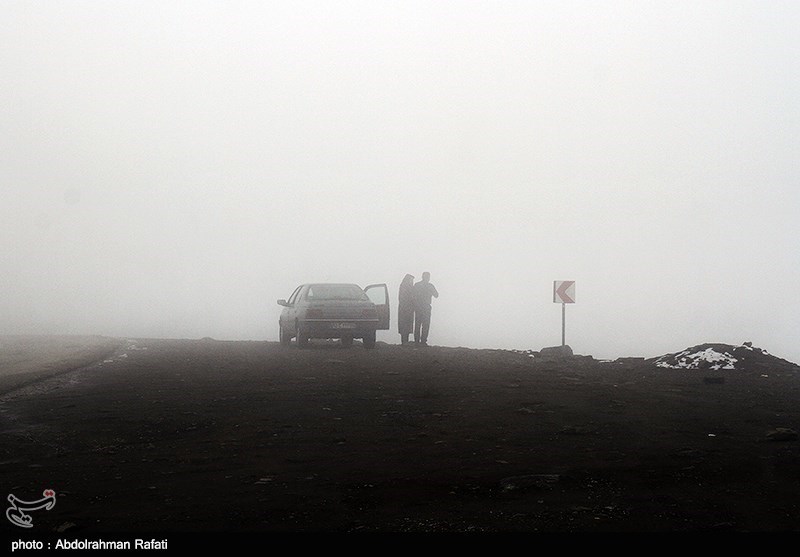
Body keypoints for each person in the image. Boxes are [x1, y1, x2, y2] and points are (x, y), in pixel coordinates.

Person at [413, 272, 439, 346]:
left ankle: (416, 341)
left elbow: (413, 295)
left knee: (417, 324)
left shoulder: (417, 285)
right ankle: (423, 341)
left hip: (418, 307)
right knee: (426, 325)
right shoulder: (430, 286)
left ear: (422, 277)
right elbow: (436, 295)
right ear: (428, 278)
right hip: (426, 307)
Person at [397, 274, 415, 345]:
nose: (412, 281)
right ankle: (404, 341)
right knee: (405, 324)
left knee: (406, 325)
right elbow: (403, 298)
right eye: (411, 279)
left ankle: (405, 341)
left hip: (407, 309)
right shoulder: (405, 287)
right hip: (405, 309)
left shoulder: (405, 286)